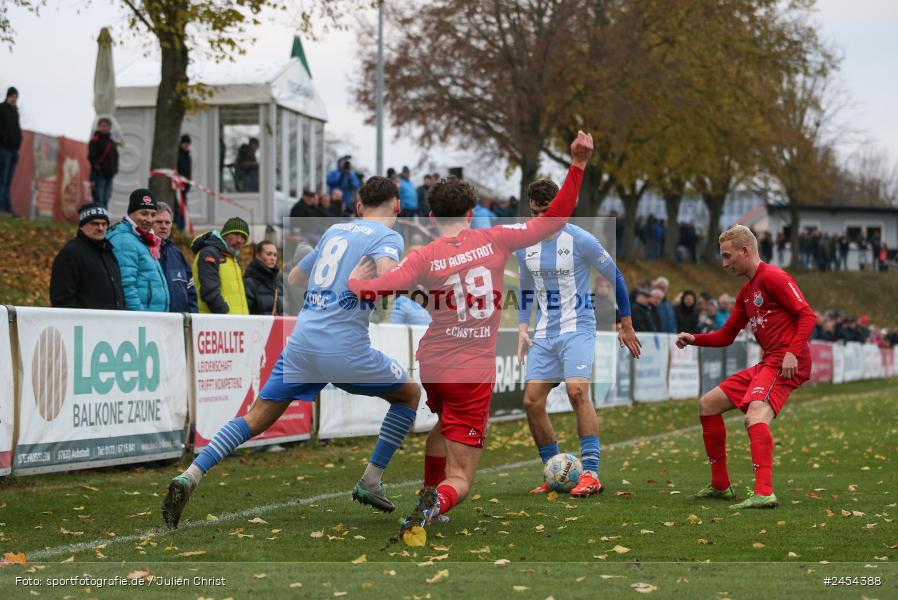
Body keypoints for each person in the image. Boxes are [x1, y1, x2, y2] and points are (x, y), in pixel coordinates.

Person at [346, 131, 597, 533]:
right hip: (471, 371)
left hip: (434, 365)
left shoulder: (423, 255)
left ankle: (429, 497)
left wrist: (356, 285)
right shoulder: (495, 238)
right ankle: (431, 507)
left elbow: (384, 287)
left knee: (444, 427)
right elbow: (556, 217)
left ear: (430, 218)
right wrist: (579, 164)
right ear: (472, 211)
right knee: (461, 477)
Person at [163, 176, 422, 528]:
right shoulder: (388, 236)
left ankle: (191, 474)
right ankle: (371, 480)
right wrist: (359, 284)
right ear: (397, 206)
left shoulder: (334, 231)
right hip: (343, 347)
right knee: (409, 395)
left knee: (255, 417)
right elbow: (389, 283)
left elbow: (296, 278)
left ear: (359, 206)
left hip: (302, 342)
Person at [515, 177, 640, 497]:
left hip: (578, 327)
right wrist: (522, 327)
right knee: (531, 401)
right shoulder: (525, 243)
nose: (540, 219)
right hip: (544, 333)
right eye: (535, 213)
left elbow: (616, 277)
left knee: (576, 392)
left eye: (547, 213)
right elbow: (526, 288)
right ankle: (554, 471)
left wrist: (625, 322)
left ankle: (592, 474)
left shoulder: (581, 240)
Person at [676, 225, 815, 509]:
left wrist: (792, 352)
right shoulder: (746, 292)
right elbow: (727, 335)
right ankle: (720, 486)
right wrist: (695, 339)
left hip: (786, 362)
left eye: (728, 256)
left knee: (755, 416)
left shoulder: (774, 276)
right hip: (769, 361)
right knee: (709, 404)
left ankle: (764, 492)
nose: (725, 264)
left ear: (745, 250)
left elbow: (807, 315)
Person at [50, 203, 125, 310]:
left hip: (112, 322)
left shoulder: (108, 251)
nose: (100, 228)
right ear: (82, 225)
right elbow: (62, 298)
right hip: (85, 324)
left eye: (104, 224)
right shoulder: (70, 254)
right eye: (94, 224)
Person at [106, 189, 170, 312]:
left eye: (153, 214)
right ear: (131, 214)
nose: (149, 219)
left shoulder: (143, 238)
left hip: (154, 318)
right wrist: (140, 317)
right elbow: (126, 286)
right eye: (144, 213)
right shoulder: (124, 240)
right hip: (141, 321)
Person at [191, 217, 250, 315]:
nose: (239, 240)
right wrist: (225, 314)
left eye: (243, 237)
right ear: (225, 235)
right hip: (220, 325)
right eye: (235, 234)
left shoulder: (231, 258)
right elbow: (209, 293)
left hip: (237, 325)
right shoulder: (209, 253)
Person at [154, 202, 197, 313]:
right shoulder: (144, 251)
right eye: (159, 222)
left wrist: (192, 315)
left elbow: (191, 287)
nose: (164, 226)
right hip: (154, 321)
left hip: (179, 323)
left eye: (167, 223)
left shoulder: (177, 253)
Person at [244, 240, 284, 315]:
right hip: (257, 326)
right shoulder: (250, 283)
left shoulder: (279, 282)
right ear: (258, 256)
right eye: (269, 254)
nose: (273, 258)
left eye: (275, 255)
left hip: (278, 326)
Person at [0, 87, 22, 215]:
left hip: (14, 151)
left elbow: (17, 129)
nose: (14, 99)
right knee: (2, 180)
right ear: (8, 96)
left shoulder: (15, 112)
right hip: (3, 150)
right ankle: (2, 207)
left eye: (16, 97)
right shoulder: (1, 109)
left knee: (8, 181)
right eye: (12, 96)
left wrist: (18, 142)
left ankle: (7, 208)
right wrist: (4, 140)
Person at [88, 118, 118, 208]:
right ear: (98, 127)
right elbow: (91, 157)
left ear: (109, 128)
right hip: (99, 174)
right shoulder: (94, 141)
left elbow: (116, 157)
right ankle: (98, 218)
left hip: (110, 174)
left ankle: (104, 219)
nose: (104, 128)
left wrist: (115, 170)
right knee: (99, 199)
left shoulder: (112, 142)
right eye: (102, 126)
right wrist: (97, 168)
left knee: (106, 198)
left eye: (106, 126)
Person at [175, 134, 192, 230]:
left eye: (187, 144)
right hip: (177, 186)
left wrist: (188, 184)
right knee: (177, 209)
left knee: (183, 208)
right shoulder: (178, 155)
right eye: (184, 143)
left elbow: (188, 172)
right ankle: (178, 226)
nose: (186, 146)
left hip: (184, 187)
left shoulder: (188, 156)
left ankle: (182, 227)